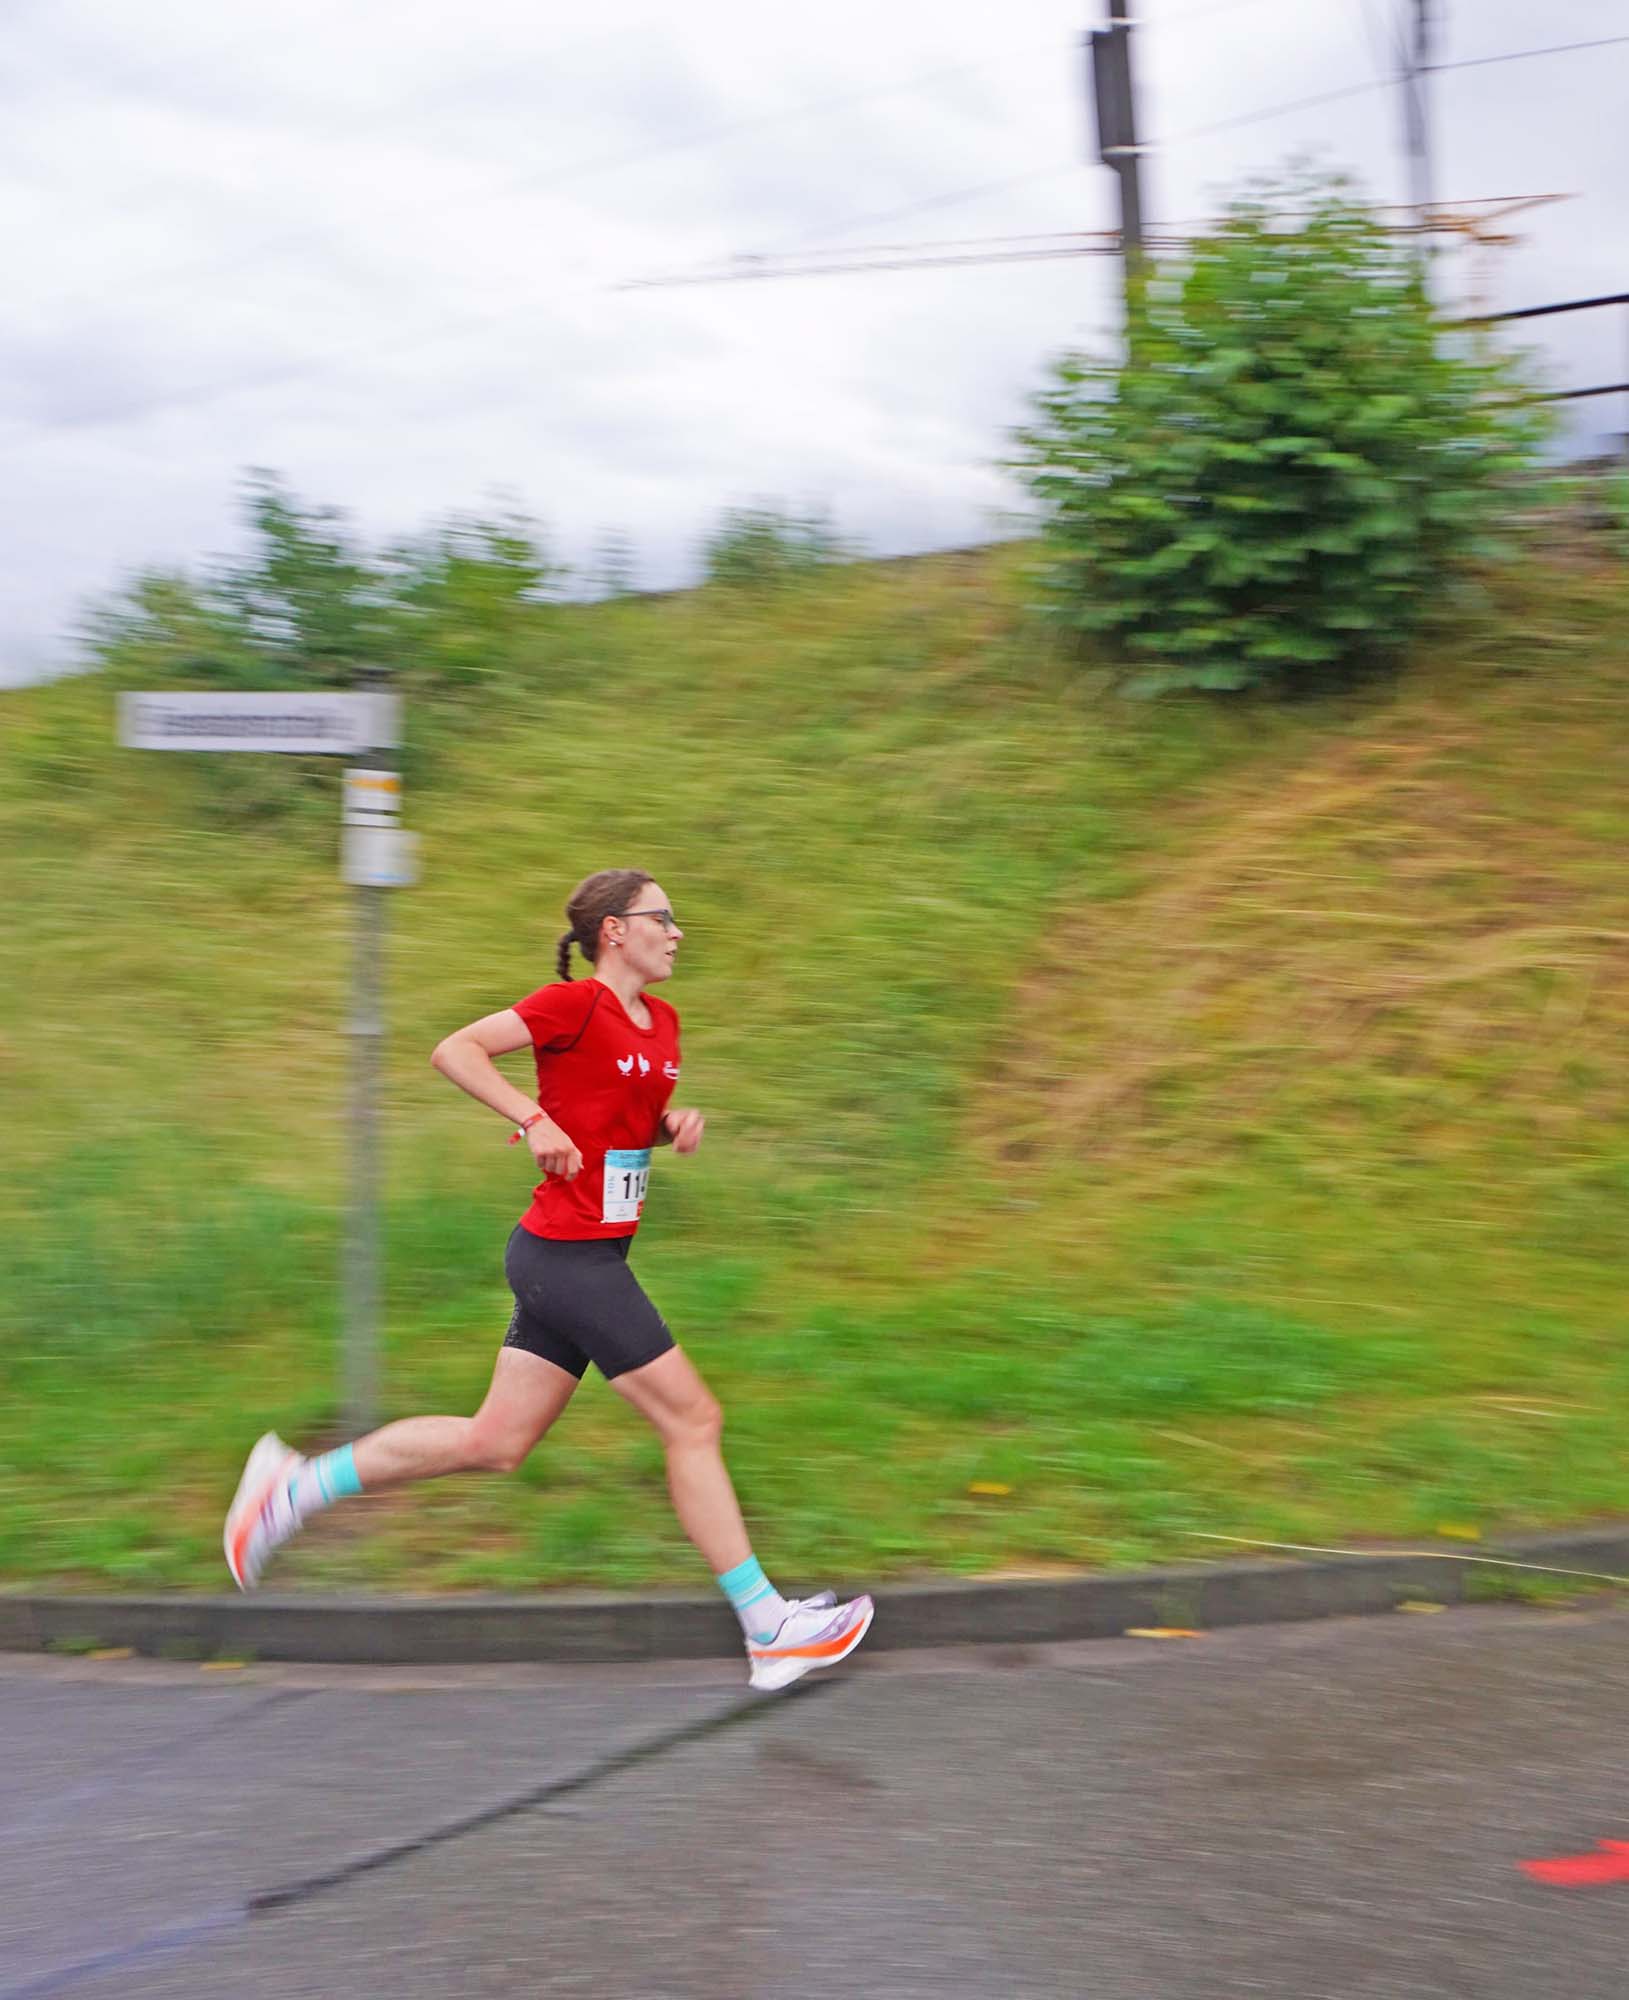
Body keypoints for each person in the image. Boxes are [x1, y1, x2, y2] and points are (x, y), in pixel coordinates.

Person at [223, 867, 873, 1692]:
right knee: (693, 1419)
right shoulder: (572, 1006)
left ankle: (294, 1486)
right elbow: (454, 1050)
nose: (677, 932)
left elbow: (612, 1114)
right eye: (663, 917)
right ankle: (767, 1627)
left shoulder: (663, 1021)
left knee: (494, 1443)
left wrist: (666, 1125)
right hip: (566, 1259)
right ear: (614, 930)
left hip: (585, 1254)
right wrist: (532, 1119)